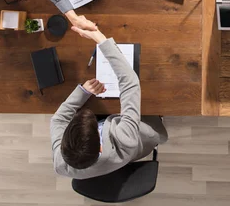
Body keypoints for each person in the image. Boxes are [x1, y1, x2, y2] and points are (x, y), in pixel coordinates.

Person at [50, 26, 168, 179]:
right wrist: (99, 38)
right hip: (138, 137)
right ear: (100, 146)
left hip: (110, 133)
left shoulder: (61, 163)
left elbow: (58, 120)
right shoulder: (125, 140)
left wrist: (83, 92)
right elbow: (130, 83)